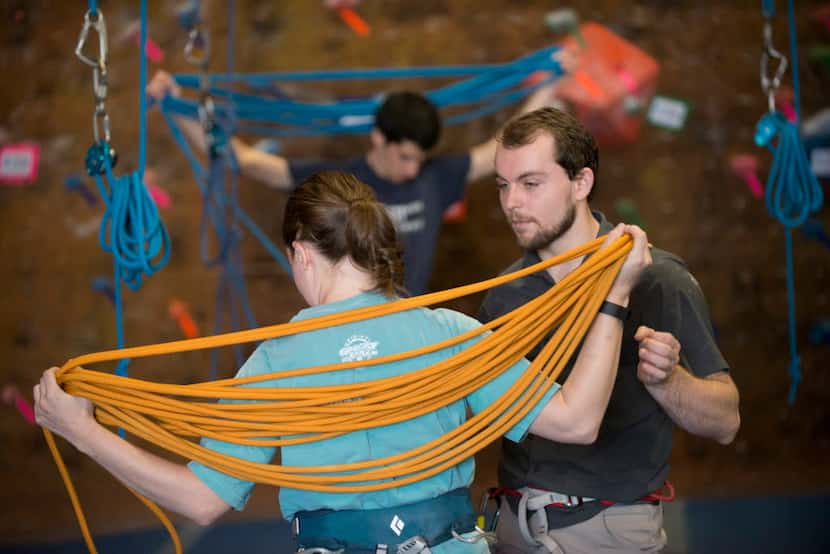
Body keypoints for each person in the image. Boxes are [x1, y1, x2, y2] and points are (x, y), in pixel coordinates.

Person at [35, 170, 664, 553]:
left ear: (302, 252)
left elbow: (200, 500)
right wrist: (613, 297)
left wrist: (80, 430)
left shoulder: (278, 362)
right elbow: (579, 420)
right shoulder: (449, 334)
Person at [477, 107, 741, 553]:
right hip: (513, 525)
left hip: (608, 528)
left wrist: (668, 380)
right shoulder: (504, 295)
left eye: (531, 184)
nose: (511, 203)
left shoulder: (658, 279)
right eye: (503, 186)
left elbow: (726, 422)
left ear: (581, 182)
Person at [146, 63, 566, 295]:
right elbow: (247, 160)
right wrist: (179, 107)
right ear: (379, 137)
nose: (412, 169)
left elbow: (505, 145)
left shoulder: (436, 178)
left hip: (408, 322)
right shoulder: (339, 182)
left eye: (420, 159)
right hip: (346, 327)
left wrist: (550, 81)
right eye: (404, 157)